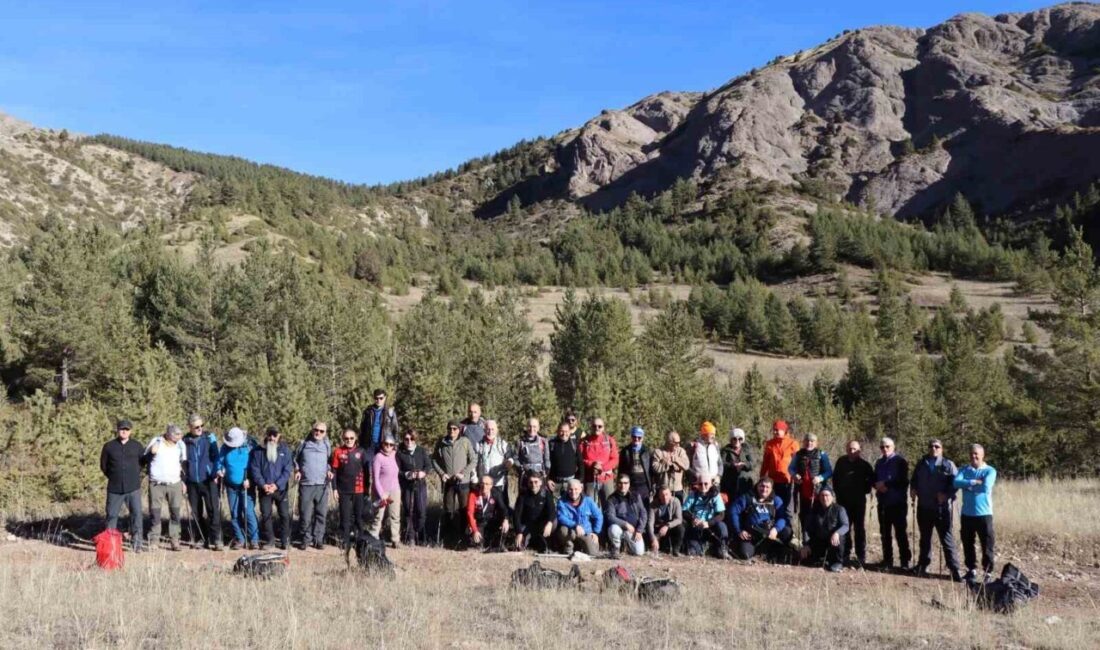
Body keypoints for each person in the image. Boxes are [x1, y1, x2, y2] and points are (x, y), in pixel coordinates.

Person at [910, 438, 962, 580]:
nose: (933, 448)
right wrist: (913, 489)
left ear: (941, 449)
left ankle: (954, 569)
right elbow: (913, 480)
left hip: (941, 508)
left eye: (937, 446)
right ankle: (922, 565)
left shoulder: (948, 464)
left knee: (947, 539)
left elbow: (956, 483)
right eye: (931, 446)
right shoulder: (921, 464)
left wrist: (946, 495)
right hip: (923, 506)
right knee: (924, 538)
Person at [100, 419, 145, 552]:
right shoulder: (109, 446)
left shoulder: (137, 446)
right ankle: (110, 545)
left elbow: (142, 463)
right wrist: (114, 476)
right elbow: (103, 466)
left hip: (133, 487)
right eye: (121, 429)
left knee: (136, 515)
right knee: (111, 516)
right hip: (114, 488)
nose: (124, 431)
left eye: (126, 429)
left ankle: (137, 544)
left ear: (130, 431)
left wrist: (133, 475)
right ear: (117, 430)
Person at [954, 444, 997, 582]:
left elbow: (986, 487)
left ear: (983, 455)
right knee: (967, 543)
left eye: (976, 454)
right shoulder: (964, 469)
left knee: (987, 544)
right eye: (972, 453)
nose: (974, 456)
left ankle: (988, 573)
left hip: (984, 514)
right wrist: (973, 482)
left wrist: (967, 485)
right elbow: (956, 483)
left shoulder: (990, 471)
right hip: (967, 514)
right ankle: (971, 570)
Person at [144, 423, 187, 551]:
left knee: (175, 513)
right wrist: (152, 453)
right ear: (169, 434)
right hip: (156, 484)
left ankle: (175, 540)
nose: (180, 437)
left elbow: (184, 464)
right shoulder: (156, 441)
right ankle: (154, 541)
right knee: (155, 513)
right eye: (177, 435)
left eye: (180, 434)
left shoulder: (180, 444)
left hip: (174, 483)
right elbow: (144, 459)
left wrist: (183, 482)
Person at [182, 414, 222, 550]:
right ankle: (201, 538)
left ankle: (216, 539)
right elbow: (182, 461)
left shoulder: (209, 438)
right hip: (192, 481)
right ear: (190, 427)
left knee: (213, 511)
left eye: (201, 426)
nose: (200, 428)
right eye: (196, 427)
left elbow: (216, 457)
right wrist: (184, 479)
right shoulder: (185, 440)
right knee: (196, 512)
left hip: (208, 479)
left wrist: (216, 471)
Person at [729, 477, 793, 562]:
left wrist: (776, 529)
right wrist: (739, 530)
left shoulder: (776, 500)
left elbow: (783, 518)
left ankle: (777, 551)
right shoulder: (748, 497)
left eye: (767, 487)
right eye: (762, 486)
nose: (764, 489)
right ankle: (761, 552)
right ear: (757, 486)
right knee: (745, 554)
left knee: (787, 531)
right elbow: (733, 511)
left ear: (771, 489)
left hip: (769, 533)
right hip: (751, 534)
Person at [832, 440, 874, 567]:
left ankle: (861, 556)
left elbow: (870, 481)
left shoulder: (865, 465)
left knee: (859, 529)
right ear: (846, 449)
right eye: (850, 448)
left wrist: (864, 490)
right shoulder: (841, 462)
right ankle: (844, 554)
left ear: (859, 450)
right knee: (844, 528)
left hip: (859, 502)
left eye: (855, 449)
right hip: (843, 502)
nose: (852, 451)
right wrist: (838, 493)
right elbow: (835, 479)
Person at [433, 421, 476, 545]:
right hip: (448, 482)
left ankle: (463, 538)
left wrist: (464, 473)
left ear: (459, 430)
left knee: (464, 510)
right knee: (448, 510)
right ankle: (449, 538)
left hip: (463, 482)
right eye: (450, 429)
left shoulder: (465, 442)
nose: (452, 431)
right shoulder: (442, 442)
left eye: (455, 429)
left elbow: (474, 459)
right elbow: (434, 459)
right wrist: (442, 473)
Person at [249, 426, 292, 550]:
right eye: (270, 434)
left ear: (279, 436)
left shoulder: (285, 451)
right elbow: (255, 470)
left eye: (275, 435)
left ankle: (285, 540)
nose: (272, 438)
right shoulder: (258, 451)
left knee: (284, 515)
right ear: (267, 435)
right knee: (266, 515)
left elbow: (287, 470)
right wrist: (263, 484)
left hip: (281, 489)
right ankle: (269, 541)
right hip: (265, 490)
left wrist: (277, 485)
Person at [873, 437, 911, 571]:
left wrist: (886, 485)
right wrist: (877, 485)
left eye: (887, 446)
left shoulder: (900, 461)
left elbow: (903, 481)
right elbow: (874, 479)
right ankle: (887, 560)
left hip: (897, 503)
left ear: (893, 447)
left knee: (900, 533)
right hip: (883, 503)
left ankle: (905, 561)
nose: (884, 449)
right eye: (882, 447)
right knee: (885, 533)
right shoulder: (879, 462)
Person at [218, 426, 259, 550]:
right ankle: (240, 539)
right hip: (231, 485)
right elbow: (220, 462)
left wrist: (251, 480)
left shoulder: (250, 446)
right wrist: (220, 470)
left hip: (246, 485)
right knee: (235, 513)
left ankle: (254, 539)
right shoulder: (225, 448)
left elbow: (256, 465)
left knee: (249, 512)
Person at [294, 421, 333, 550]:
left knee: (321, 513)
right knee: (305, 514)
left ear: (325, 433)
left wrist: (329, 470)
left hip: (322, 485)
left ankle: (318, 539)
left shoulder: (327, 445)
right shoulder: (303, 444)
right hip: (306, 484)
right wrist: (297, 470)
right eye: (316, 430)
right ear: (312, 430)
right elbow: (295, 459)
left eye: (322, 431)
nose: (318, 433)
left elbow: (329, 461)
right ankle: (306, 539)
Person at [789, 433, 833, 541]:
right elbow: (790, 468)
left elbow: (829, 471)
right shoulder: (798, 454)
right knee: (804, 517)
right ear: (803, 442)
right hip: (802, 492)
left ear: (816, 443)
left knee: (818, 518)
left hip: (818, 493)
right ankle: (805, 543)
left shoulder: (821, 454)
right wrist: (795, 475)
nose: (809, 443)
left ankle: (818, 543)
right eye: (807, 441)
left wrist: (820, 478)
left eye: (812, 441)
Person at [331, 428, 368, 550]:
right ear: (343, 439)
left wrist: (366, 490)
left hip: (359, 490)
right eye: (346, 438)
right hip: (343, 490)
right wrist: (334, 489)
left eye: (351, 438)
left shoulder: (361, 452)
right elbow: (334, 471)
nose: (349, 440)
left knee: (358, 517)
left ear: (355, 438)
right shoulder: (337, 451)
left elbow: (367, 472)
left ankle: (361, 541)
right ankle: (345, 542)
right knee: (345, 518)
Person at [799, 488, 849, 572]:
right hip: (819, 540)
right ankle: (821, 560)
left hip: (833, 541)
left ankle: (838, 562)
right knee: (804, 560)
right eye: (822, 495)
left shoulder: (840, 509)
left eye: (827, 495)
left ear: (832, 497)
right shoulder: (814, 510)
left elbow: (846, 525)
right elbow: (807, 529)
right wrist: (806, 544)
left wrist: (837, 533)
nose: (824, 498)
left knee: (839, 537)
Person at [682, 474, 731, 559]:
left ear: (711, 484)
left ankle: (722, 549)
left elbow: (721, 514)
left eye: (706, 483)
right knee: (692, 552)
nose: (703, 486)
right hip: (696, 526)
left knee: (722, 526)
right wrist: (693, 519)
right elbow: (684, 511)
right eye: (700, 484)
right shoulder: (693, 494)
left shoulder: (716, 495)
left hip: (710, 526)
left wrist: (708, 523)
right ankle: (701, 548)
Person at [396, 429, 431, 545]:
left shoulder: (421, 451)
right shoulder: (400, 453)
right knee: (408, 510)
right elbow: (397, 470)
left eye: (412, 439)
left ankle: (421, 536)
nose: (409, 441)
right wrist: (406, 474)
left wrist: (423, 473)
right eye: (406, 439)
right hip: (406, 485)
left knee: (421, 511)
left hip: (420, 485)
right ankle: (410, 537)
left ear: (415, 439)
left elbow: (428, 465)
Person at [554, 479, 603, 555]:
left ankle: (579, 547)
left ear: (581, 489)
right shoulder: (562, 502)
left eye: (576, 489)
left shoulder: (588, 501)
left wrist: (596, 532)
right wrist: (575, 525)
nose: (573, 492)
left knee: (593, 553)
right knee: (563, 530)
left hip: (585, 531)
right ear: (567, 490)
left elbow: (599, 516)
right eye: (570, 489)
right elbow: (561, 517)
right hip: (571, 531)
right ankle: (568, 545)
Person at [370, 435, 402, 547]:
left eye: (391, 445)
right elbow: (375, 478)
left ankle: (395, 539)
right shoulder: (378, 457)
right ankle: (374, 537)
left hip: (395, 490)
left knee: (395, 515)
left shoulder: (395, 455)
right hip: (381, 491)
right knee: (378, 516)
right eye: (386, 444)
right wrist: (381, 493)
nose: (388, 446)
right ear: (382, 444)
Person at [604, 475, 648, 558]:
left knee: (639, 552)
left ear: (629, 484)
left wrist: (639, 530)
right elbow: (610, 517)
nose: (623, 485)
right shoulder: (611, 498)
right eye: (620, 483)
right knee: (613, 529)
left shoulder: (636, 496)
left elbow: (643, 513)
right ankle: (616, 548)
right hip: (619, 528)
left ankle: (626, 545)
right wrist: (625, 524)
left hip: (633, 530)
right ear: (616, 484)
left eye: (625, 483)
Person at [579, 417, 619, 505]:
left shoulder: (609, 440)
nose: (597, 428)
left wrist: (602, 467)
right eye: (594, 426)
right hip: (590, 479)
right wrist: (592, 464)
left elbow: (615, 459)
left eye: (599, 426)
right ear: (591, 427)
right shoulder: (584, 442)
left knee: (609, 506)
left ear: (603, 428)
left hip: (606, 479)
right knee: (589, 507)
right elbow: (580, 459)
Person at [513, 472, 556, 552]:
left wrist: (549, 523)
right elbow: (516, 515)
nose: (533, 485)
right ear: (528, 483)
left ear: (540, 482)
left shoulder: (546, 494)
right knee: (519, 548)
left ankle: (548, 541)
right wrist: (519, 532)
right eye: (531, 482)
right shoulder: (523, 495)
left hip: (541, 525)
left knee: (554, 522)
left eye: (536, 482)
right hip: (527, 525)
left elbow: (552, 511)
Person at [760, 420, 799, 506]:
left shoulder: (793, 443)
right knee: (772, 505)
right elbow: (765, 463)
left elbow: (798, 463)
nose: (775, 432)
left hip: (787, 481)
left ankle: (787, 520)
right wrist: (762, 478)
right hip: (772, 481)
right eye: (774, 430)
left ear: (784, 430)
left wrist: (797, 477)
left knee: (787, 507)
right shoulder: (769, 444)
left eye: (777, 430)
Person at [466, 474, 511, 549]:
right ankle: (479, 543)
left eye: (487, 484)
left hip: (491, 521)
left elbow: (503, 509)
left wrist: (505, 520)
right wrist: (475, 530)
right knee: (475, 544)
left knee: (505, 526)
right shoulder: (473, 494)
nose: (484, 486)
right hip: (479, 522)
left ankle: (499, 544)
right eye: (482, 483)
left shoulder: (496, 493)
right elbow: (470, 513)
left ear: (491, 485)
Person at [474, 419, 513, 492]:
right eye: (488, 429)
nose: (490, 432)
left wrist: (509, 462)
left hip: (498, 483)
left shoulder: (503, 444)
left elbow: (510, 457)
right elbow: (474, 462)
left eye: (492, 429)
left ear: (497, 430)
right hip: (484, 484)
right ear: (484, 430)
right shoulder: (478, 445)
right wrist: (475, 478)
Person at [651, 431, 689, 503]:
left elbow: (686, 466)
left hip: (677, 489)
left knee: (677, 511)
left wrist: (677, 461)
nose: (678, 445)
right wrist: (666, 464)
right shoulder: (658, 452)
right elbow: (654, 467)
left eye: (679, 442)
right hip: (662, 489)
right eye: (676, 443)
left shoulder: (681, 451)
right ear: (669, 442)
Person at [719, 428, 755, 502]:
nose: (737, 441)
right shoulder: (725, 450)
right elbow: (721, 464)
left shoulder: (747, 449)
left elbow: (753, 464)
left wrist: (744, 464)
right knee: (730, 504)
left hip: (745, 482)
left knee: (745, 503)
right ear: (731, 439)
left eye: (740, 439)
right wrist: (733, 465)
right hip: (729, 483)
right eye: (734, 439)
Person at [647, 486, 684, 556]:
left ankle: (676, 550)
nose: (665, 497)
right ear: (659, 496)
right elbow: (650, 523)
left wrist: (667, 526)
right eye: (662, 495)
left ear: (670, 494)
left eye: (667, 494)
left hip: (670, 526)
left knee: (681, 528)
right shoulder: (653, 505)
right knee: (659, 548)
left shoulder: (676, 501)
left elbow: (679, 519)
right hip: (659, 527)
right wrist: (653, 538)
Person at [620, 426, 653, 504]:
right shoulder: (625, 451)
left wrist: (652, 486)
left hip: (644, 485)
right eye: (634, 437)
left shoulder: (647, 452)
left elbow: (651, 470)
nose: (636, 439)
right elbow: (621, 470)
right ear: (631, 437)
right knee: (631, 507)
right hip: (630, 484)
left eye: (639, 437)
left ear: (642, 438)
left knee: (645, 508)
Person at [547, 420, 580, 494]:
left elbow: (580, 463)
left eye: (566, 431)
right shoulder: (551, 444)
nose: (564, 433)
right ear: (558, 431)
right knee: (555, 505)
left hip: (571, 482)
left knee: (569, 505)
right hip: (555, 483)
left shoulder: (574, 444)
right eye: (562, 431)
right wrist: (548, 479)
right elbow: (546, 462)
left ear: (570, 432)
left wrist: (580, 480)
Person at [514, 418, 550, 482]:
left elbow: (546, 459)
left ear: (538, 428)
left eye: (534, 427)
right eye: (529, 426)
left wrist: (547, 471)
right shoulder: (520, 442)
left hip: (540, 474)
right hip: (525, 476)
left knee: (540, 492)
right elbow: (515, 458)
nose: (532, 429)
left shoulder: (543, 441)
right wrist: (520, 469)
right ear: (526, 427)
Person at [689, 421, 722, 486]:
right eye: (711, 434)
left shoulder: (715, 446)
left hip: (714, 483)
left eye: (714, 434)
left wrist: (718, 476)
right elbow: (687, 466)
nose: (713, 436)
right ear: (704, 435)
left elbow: (720, 464)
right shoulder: (694, 446)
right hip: (699, 484)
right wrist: (694, 478)